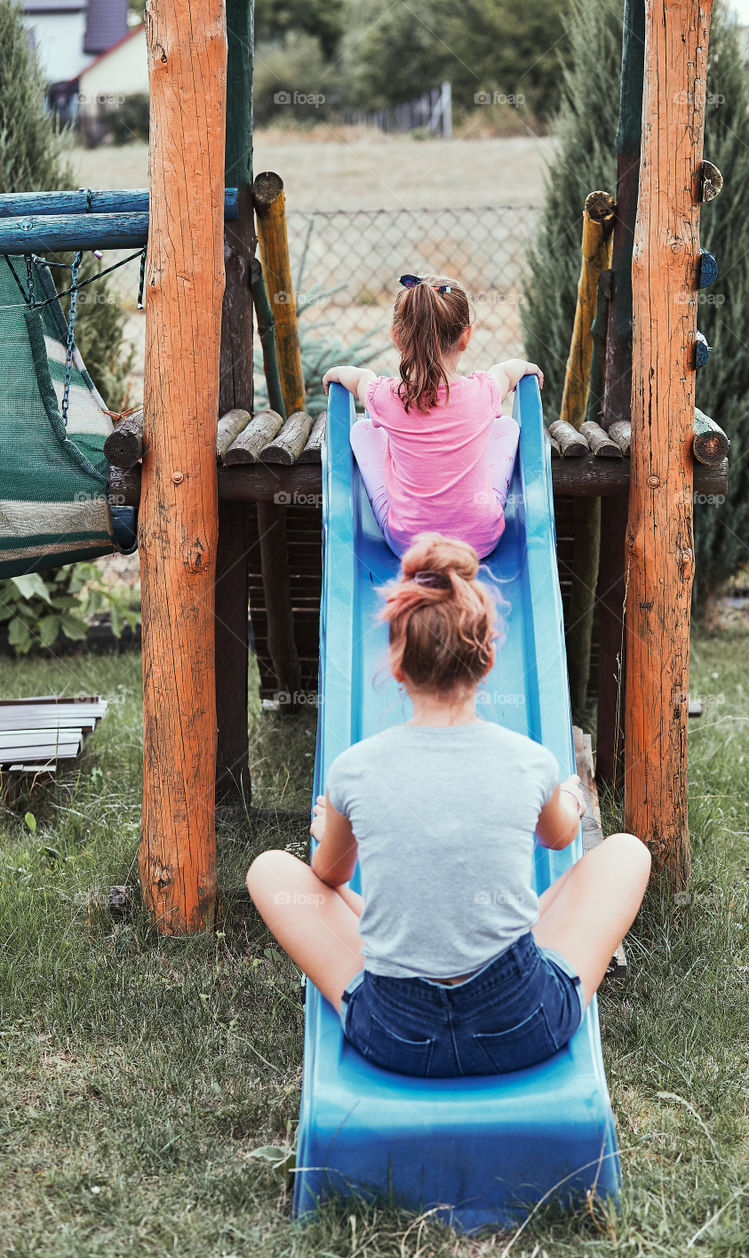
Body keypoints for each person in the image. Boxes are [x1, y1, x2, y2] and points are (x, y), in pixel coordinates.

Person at [247, 533, 651, 1078]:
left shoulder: (356, 769)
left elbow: (327, 875)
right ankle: (452, 942)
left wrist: (336, 828)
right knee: (625, 853)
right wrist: (573, 799)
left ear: (396, 665)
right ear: (487, 662)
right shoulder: (530, 762)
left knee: (271, 870)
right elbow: (558, 838)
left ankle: (405, 944)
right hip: (524, 1025)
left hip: (395, 1036)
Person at [322, 272, 543, 560]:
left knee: (364, 430)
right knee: (506, 426)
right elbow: (505, 372)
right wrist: (525, 366)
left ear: (397, 336)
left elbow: (360, 380)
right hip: (480, 540)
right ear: (466, 336)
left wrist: (338, 373)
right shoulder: (483, 392)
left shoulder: (386, 397)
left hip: (409, 545)